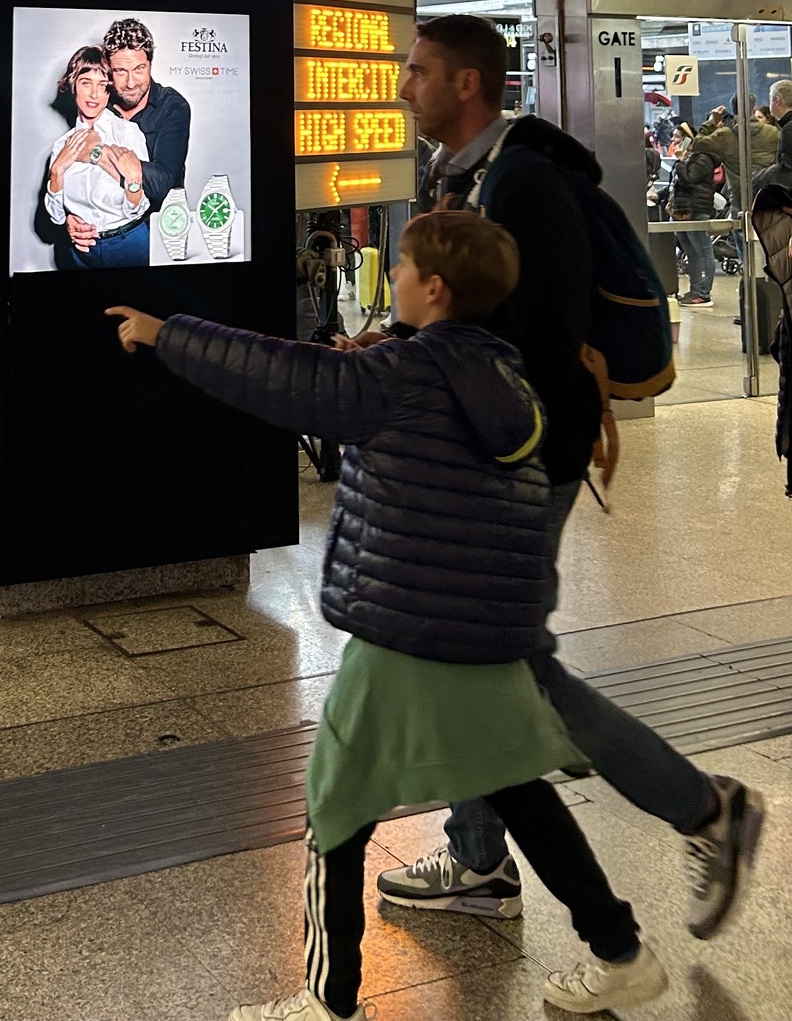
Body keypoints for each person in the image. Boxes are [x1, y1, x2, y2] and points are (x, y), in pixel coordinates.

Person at [108, 212, 669, 1017]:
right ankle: (623, 951)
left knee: (335, 808)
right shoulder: (503, 376)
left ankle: (329, 1000)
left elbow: (278, 374)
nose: (392, 276)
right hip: (484, 635)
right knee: (518, 788)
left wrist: (167, 333)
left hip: (405, 633)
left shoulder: (401, 378)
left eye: (402, 266)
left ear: (433, 289)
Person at [376, 16, 762, 937]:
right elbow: (475, 313)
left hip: (521, 461)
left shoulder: (525, 183)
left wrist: (430, 375)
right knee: (476, 660)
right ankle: (477, 853)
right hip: (502, 452)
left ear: (468, 83)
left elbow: (535, 340)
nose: (404, 86)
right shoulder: (474, 172)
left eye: (419, 71)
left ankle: (703, 806)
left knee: (508, 669)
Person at [65, 18, 190, 260]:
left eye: (139, 69)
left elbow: (162, 185)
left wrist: (97, 153)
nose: (131, 83)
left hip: (164, 232)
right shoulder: (97, 101)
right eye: (120, 71)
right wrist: (70, 215)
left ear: (150, 64)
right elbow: (75, 170)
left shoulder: (173, 107)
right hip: (102, 239)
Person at [46, 46, 150, 268]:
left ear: (110, 90)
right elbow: (56, 216)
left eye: (102, 86)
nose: (94, 94)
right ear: (73, 85)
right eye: (86, 83)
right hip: (82, 252)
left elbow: (139, 208)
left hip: (129, 245)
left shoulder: (128, 133)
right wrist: (56, 172)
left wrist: (133, 184)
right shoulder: (61, 146)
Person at [667, 131, 717, 304]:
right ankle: (695, 289)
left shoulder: (703, 159)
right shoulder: (690, 158)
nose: (674, 141)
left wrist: (680, 161)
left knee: (703, 250)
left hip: (697, 209)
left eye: (679, 137)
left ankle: (703, 293)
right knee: (691, 252)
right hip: (684, 210)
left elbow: (688, 180)